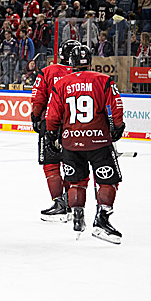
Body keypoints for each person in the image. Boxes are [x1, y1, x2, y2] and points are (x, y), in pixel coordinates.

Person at [44, 44, 126, 243]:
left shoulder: (62, 83)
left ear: (70, 62)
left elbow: (52, 114)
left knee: (76, 181)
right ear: (90, 61)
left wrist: (52, 134)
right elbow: (116, 105)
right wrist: (118, 127)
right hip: (99, 141)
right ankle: (102, 221)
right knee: (107, 180)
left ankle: (78, 217)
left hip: (71, 142)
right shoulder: (104, 80)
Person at [30, 40, 79, 222]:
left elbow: (38, 97)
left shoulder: (49, 71)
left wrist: (35, 117)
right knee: (72, 164)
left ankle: (59, 203)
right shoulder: (84, 74)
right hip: (75, 125)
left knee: (51, 164)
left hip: (51, 122)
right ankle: (71, 201)